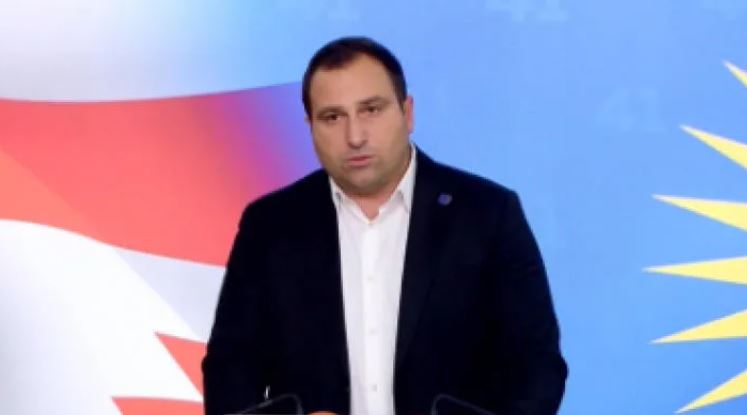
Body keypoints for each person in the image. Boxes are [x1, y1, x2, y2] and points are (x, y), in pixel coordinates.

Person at [202, 36, 567, 415]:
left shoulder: (488, 214)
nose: (355, 137)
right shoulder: (270, 225)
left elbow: (537, 367)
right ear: (310, 126)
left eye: (371, 110)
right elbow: (230, 371)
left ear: (407, 113)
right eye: (333, 117)